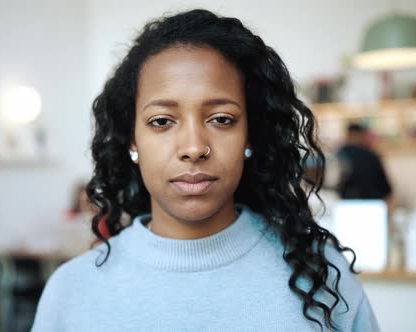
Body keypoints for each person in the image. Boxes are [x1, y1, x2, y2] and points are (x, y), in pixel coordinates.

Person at [32, 9, 379, 331]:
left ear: (250, 134)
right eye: (162, 121)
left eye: (222, 119)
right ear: (132, 141)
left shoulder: (322, 278)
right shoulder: (71, 293)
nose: (194, 147)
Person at [336, 123, 393, 201]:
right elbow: (386, 189)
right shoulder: (372, 156)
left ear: (348, 135)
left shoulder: (340, 155)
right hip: (373, 203)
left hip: (347, 203)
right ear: (361, 135)